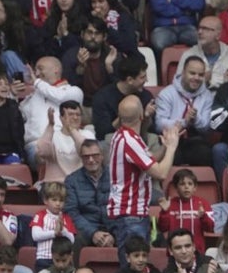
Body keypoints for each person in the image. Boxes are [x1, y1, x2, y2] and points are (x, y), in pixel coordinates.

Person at [106, 94, 181, 263]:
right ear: (141, 115)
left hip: (131, 214)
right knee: (134, 271)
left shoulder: (123, 136)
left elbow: (149, 161)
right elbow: (161, 173)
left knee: (137, 271)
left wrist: (164, 147)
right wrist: (172, 148)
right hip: (130, 215)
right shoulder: (129, 140)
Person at [65, 138, 114, 251]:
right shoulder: (72, 180)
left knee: (130, 236)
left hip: (113, 226)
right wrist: (93, 233)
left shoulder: (115, 176)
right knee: (76, 240)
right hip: (87, 228)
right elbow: (72, 212)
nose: (91, 160)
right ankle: (76, 269)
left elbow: (122, 207)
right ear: (81, 159)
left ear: (102, 156)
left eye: (95, 155)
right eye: (86, 156)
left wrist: (112, 233)